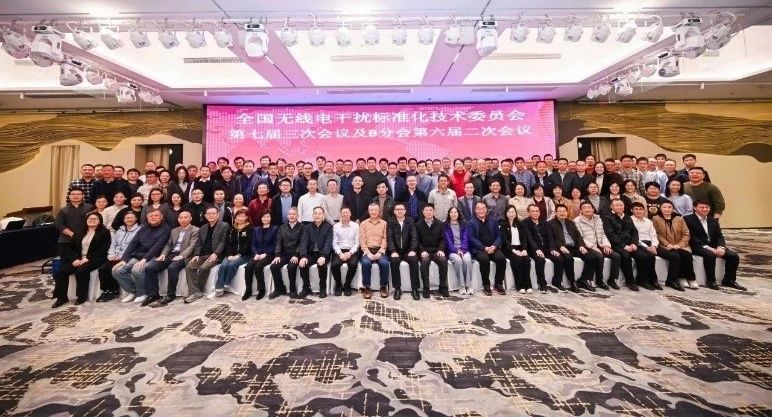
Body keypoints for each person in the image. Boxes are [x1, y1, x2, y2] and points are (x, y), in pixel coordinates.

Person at [52, 212, 111, 308]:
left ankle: (81, 296)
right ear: (86, 220)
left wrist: (87, 258)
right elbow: (70, 248)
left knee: (81, 270)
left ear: (100, 221)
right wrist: (74, 260)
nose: (92, 220)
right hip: (79, 259)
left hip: (96, 259)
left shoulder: (105, 232)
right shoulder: (79, 231)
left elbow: (103, 249)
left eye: (95, 219)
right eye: (90, 219)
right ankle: (61, 298)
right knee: (61, 271)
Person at [113, 209, 171, 304]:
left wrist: (145, 259)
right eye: (151, 216)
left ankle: (142, 294)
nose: (153, 217)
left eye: (156, 215)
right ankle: (133, 291)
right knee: (117, 270)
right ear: (147, 218)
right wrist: (124, 259)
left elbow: (158, 247)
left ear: (161, 217)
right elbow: (133, 244)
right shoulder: (143, 228)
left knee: (137, 270)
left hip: (154, 256)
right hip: (139, 256)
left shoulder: (166, 229)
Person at [684, 200, 745, 291]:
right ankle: (711, 281)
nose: (705, 209)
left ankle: (729, 280)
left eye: (707, 207)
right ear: (695, 208)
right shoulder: (687, 219)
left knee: (733, 256)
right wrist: (708, 248)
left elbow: (719, 235)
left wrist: (721, 247)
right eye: (701, 207)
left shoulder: (713, 220)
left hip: (714, 245)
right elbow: (691, 237)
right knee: (710, 254)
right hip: (697, 245)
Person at [142, 210, 199, 306]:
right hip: (172, 254)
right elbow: (168, 244)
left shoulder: (195, 230)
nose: (183, 220)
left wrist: (181, 256)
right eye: (181, 218)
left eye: (186, 217)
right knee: (150, 268)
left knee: (172, 268)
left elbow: (192, 246)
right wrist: (163, 254)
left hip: (186, 256)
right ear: (178, 219)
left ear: (190, 219)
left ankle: (170, 295)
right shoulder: (174, 230)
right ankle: (153, 295)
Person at [602, 199, 655, 290]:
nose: (619, 207)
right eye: (617, 205)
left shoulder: (627, 217)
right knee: (626, 256)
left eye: (621, 205)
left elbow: (634, 232)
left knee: (643, 256)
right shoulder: (607, 217)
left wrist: (634, 243)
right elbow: (610, 235)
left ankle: (642, 280)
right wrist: (624, 246)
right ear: (611, 206)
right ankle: (630, 282)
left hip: (630, 243)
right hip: (616, 244)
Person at [183, 206, 229, 303]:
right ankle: (196, 292)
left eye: (213, 213)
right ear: (205, 216)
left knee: (204, 268)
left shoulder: (224, 225)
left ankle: (195, 292)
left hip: (216, 254)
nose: (211, 215)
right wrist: (196, 254)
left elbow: (223, 242)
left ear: (218, 215)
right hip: (202, 255)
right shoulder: (203, 228)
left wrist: (216, 253)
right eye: (209, 214)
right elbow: (199, 243)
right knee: (190, 267)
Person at [575, 201, 621, 291]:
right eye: (584, 207)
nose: (587, 209)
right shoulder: (577, 221)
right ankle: (599, 280)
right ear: (580, 210)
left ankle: (612, 280)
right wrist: (593, 247)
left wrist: (606, 245)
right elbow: (580, 237)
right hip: (588, 246)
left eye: (589, 207)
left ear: (593, 209)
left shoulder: (598, 219)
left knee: (616, 256)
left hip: (600, 244)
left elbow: (603, 233)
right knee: (599, 256)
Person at [96, 211, 140, 303]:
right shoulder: (120, 230)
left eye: (132, 217)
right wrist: (111, 255)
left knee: (115, 269)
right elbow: (113, 244)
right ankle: (106, 290)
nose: (129, 219)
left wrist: (122, 256)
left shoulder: (140, 230)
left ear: (136, 219)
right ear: (124, 219)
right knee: (103, 268)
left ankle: (114, 291)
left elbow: (136, 246)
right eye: (127, 218)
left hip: (128, 256)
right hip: (115, 256)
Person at [548, 204, 592, 292]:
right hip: (561, 247)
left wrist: (581, 245)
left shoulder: (571, 223)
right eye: (560, 211)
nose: (562, 213)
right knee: (568, 258)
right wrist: (560, 246)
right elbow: (551, 238)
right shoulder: (550, 224)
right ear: (555, 213)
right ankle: (572, 282)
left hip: (574, 246)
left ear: (567, 212)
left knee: (591, 257)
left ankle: (583, 280)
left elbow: (578, 236)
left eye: (564, 211)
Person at [522, 204, 566, 293]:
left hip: (546, 248)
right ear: (528, 213)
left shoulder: (545, 223)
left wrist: (552, 249)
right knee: (540, 259)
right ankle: (542, 284)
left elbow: (550, 237)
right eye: (533, 211)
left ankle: (557, 282)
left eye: (537, 211)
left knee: (559, 258)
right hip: (533, 248)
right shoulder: (525, 223)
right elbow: (529, 238)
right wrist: (536, 249)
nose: (535, 213)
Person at [467, 202, 507, 296]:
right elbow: (472, 238)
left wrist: (494, 246)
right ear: (475, 210)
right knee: (484, 259)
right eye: (479, 208)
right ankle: (486, 284)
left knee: (501, 259)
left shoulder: (493, 220)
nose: (481, 210)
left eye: (483, 208)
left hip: (493, 247)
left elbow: (499, 236)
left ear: (486, 210)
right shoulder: (471, 223)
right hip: (479, 249)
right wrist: (484, 248)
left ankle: (498, 283)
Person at [652, 201, 695, 291]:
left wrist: (679, 245)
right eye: (664, 207)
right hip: (664, 245)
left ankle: (690, 278)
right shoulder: (656, 218)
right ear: (660, 208)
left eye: (669, 207)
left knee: (687, 255)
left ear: (673, 208)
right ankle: (672, 280)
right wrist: (668, 244)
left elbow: (686, 234)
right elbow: (656, 233)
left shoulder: (679, 219)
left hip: (678, 245)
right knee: (676, 256)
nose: (667, 209)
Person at [213, 208, 253, 297]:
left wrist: (238, 255)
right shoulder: (231, 228)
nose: (240, 218)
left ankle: (226, 283)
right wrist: (230, 254)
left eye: (243, 216)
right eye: (238, 216)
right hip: (231, 254)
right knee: (223, 265)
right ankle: (218, 288)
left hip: (244, 255)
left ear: (246, 217)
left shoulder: (250, 228)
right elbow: (228, 243)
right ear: (235, 217)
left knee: (231, 265)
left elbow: (248, 244)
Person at [297, 206, 333, 298]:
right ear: (312, 215)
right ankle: (306, 287)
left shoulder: (328, 227)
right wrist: (303, 256)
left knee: (322, 264)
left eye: (319, 214)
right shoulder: (307, 227)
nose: (317, 216)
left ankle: (322, 289)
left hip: (323, 253)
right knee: (303, 264)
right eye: (315, 213)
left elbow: (328, 242)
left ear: (323, 215)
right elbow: (304, 242)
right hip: (311, 253)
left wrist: (323, 255)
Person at [415, 204, 450, 298]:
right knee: (424, 263)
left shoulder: (439, 223)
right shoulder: (418, 224)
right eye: (426, 210)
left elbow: (443, 239)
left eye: (430, 210)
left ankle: (443, 287)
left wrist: (441, 249)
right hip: (424, 251)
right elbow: (416, 240)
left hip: (436, 251)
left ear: (434, 211)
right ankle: (426, 288)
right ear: (423, 212)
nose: (428, 212)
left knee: (443, 260)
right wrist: (422, 251)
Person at [387, 202, 420, 300]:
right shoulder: (391, 222)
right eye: (397, 209)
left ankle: (415, 289)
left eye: (401, 209)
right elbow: (389, 238)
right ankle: (397, 288)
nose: (399, 211)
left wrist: (413, 249)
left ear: (405, 211)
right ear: (394, 211)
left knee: (414, 260)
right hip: (396, 250)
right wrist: (393, 251)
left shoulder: (410, 221)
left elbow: (414, 237)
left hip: (408, 250)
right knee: (394, 261)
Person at [269, 207, 304, 299]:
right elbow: (278, 242)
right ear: (287, 216)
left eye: (294, 214)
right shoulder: (282, 227)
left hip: (296, 254)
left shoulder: (302, 227)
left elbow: (302, 243)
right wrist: (277, 255)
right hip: (284, 254)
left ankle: (292, 290)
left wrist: (296, 255)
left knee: (291, 267)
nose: (292, 216)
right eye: (290, 214)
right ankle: (279, 288)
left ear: (297, 215)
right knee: (274, 266)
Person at [242, 212, 277, 300]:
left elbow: (275, 244)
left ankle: (261, 290)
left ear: (270, 218)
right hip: (257, 254)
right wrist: (256, 253)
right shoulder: (256, 229)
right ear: (261, 219)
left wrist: (265, 253)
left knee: (258, 266)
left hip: (269, 254)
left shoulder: (275, 229)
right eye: (263, 217)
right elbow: (253, 244)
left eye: (267, 217)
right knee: (248, 267)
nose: (265, 219)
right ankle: (248, 290)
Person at [359, 203, 390, 299]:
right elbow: (362, 240)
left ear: (379, 211)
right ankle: (367, 287)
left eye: (376, 210)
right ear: (368, 211)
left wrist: (380, 252)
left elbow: (385, 239)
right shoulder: (363, 223)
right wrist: (367, 252)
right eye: (371, 210)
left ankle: (383, 286)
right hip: (367, 250)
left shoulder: (384, 223)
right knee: (365, 263)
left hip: (380, 249)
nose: (373, 212)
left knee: (384, 263)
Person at [629, 202, 663, 290]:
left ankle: (653, 280)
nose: (638, 211)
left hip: (650, 243)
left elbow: (653, 235)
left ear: (644, 211)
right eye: (636, 209)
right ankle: (644, 280)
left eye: (641, 209)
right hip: (637, 243)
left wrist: (654, 246)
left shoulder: (648, 221)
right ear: (632, 210)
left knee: (672, 255)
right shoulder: (629, 220)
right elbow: (632, 236)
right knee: (647, 256)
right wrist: (646, 247)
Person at [499, 205, 531, 294]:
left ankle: (528, 285)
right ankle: (520, 285)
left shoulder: (520, 224)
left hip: (520, 248)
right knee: (518, 260)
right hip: (509, 249)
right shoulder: (503, 225)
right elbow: (505, 241)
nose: (511, 214)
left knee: (526, 259)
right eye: (509, 212)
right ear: (506, 214)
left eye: (513, 212)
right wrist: (513, 250)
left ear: (516, 213)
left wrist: (524, 249)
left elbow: (524, 238)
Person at [55, 187, 95, 258]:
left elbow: (94, 222)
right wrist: (71, 234)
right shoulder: (63, 209)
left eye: (78, 194)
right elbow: (59, 224)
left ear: (83, 196)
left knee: (83, 261)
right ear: (69, 196)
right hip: (66, 240)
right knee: (66, 262)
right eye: (73, 194)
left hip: (85, 239)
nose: (76, 196)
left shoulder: (90, 207)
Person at [330, 207, 360, 296]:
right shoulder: (336, 226)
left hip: (352, 250)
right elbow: (334, 242)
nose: (345, 214)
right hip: (339, 250)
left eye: (347, 212)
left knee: (353, 264)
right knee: (334, 265)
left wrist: (350, 253)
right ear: (340, 214)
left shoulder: (356, 226)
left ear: (350, 214)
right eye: (343, 213)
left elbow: (357, 243)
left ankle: (347, 285)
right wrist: (340, 253)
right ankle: (338, 285)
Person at [444, 206, 472, 296]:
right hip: (452, 251)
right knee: (459, 261)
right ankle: (462, 286)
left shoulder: (463, 224)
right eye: (451, 212)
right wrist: (456, 251)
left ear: (458, 214)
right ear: (449, 214)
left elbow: (466, 238)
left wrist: (462, 250)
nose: (453, 214)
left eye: (455, 212)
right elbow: (447, 242)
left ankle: (469, 286)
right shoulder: (445, 225)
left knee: (467, 260)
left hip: (464, 249)